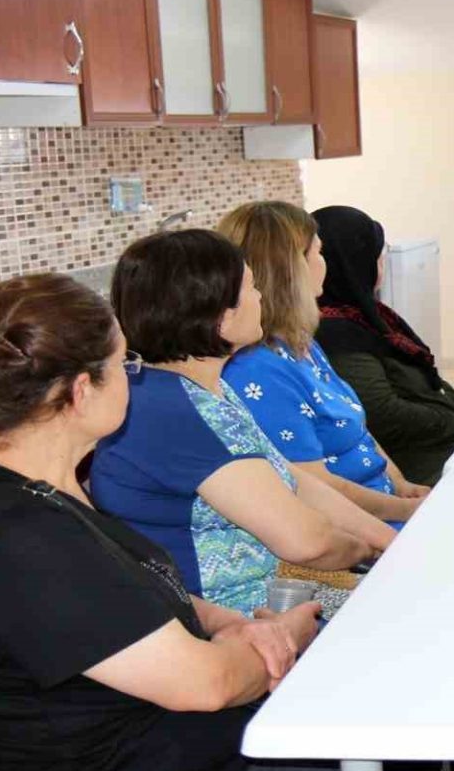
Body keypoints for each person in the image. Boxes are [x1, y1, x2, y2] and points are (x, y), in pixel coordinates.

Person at [0, 274, 321, 771]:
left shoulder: (10, 479)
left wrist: (225, 624)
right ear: (81, 391)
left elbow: (124, 589)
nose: (133, 376)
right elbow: (207, 685)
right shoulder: (9, 535)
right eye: (125, 363)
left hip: (159, 745)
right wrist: (284, 638)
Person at [92, 230, 393, 617]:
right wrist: (372, 552)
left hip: (270, 591)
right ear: (222, 317)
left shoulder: (190, 387)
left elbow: (293, 480)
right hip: (239, 618)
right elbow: (307, 543)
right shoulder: (176, 414)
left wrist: (386, 539)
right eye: (251, 287)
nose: (261, 297)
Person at [218, 201, 430, 520]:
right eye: (318, 252)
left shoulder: (299, 344)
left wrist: (400, 484)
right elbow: (313, 489)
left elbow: (357, 429)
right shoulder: (259, 371)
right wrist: (405, 510)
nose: (324, 262)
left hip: (381, 504)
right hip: (350, 525)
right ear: (292, 269)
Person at [312, 205, 454, 486]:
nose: (381, 266)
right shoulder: (335, 333)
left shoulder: (368, 316)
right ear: (353, 263)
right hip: (415, 464)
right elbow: (383, 415)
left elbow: (428, 379)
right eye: (377, 258)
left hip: (439, 442)